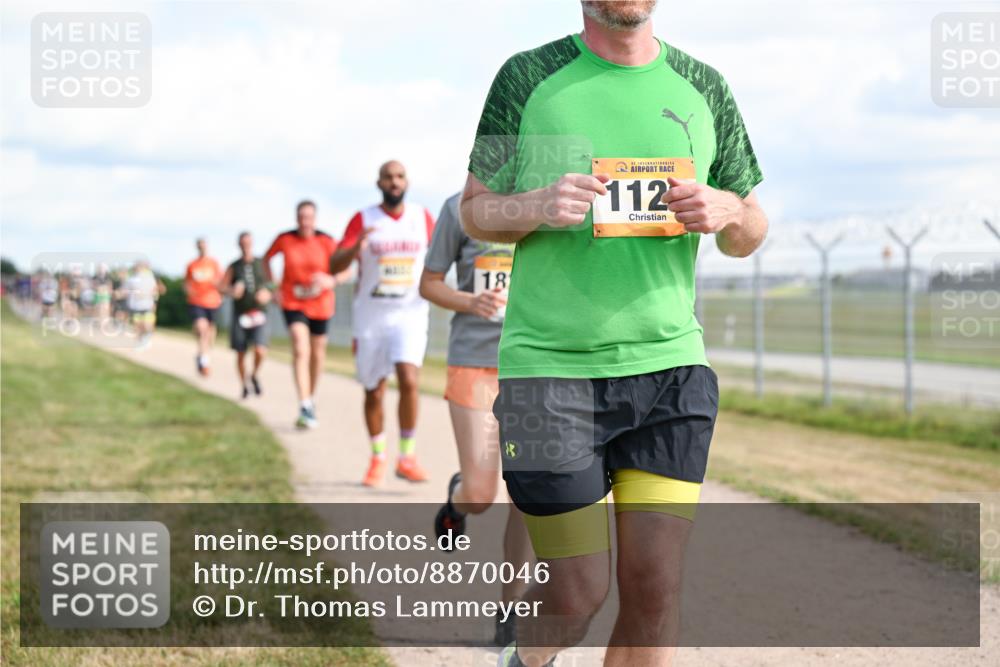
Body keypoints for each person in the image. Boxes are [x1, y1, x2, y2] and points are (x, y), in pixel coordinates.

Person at [460, 2, 769, 666]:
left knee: (654, 588)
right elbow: (476, 209)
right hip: (549, 371)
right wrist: (536, 205)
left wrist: (729, 209)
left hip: (670, 369)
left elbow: (752, 226)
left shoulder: (703, 85)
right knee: (575, 593)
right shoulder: (527, 77)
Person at [420, 191, 533, 646]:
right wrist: (471, 302)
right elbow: (429, 282)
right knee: (482, 493)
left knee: (529, 494)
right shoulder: (458, 208)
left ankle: (511, 610)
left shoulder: (551, 202)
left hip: (533, 363)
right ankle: (458, 500)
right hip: (474, 361)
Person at [330, 160, 434, 486]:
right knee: (374, 390)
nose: (394, 181)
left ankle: (407, 456)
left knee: (409, 379)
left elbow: (444, 253)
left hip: (410, 313)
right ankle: (377, 457)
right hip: (371, 317)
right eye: (388, 177)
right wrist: (356, 246)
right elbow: (334, 264)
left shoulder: (422, 217)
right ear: (379, 183)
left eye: (400, 176)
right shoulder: (363, 219)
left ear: (407, 181)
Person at [265, 200, 340, 429]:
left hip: (321, 303)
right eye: (301, 217)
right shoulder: (285, 239)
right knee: (300, 346)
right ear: (296, 218)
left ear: (315, 219)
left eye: (309, 217)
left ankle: (311, 396)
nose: (304, 221)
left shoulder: (326, 241)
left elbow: (345, 266)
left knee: (318, 353)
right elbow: (266, 259)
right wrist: (274, 285)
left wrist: (332, 280)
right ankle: (304, 403)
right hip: (293, 300)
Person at [221, 231, 271, 399]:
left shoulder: (262, 264)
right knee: (241, 352)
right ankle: (243, 385)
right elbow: (221, 287)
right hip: (240, 315)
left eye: (248, 243)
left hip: (258, 314)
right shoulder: (234, 266)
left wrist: (267, 293)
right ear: (239, 245)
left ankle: (254, 375)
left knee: (260, 349)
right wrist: (231, 291)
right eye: (243, 243)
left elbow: (274, 284)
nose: (245, 246)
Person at [185, 238, 223, 376]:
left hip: (212, 302)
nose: (202, 248)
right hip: (196, 301)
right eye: (199, 246)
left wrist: (218, 286)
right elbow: (187, 282)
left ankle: (203, 354)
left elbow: (221, 281)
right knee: (202, 329)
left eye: (204, 245)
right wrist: (188, 290)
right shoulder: (192, 265)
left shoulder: (213, 263)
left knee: (210, 335)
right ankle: (204, 362)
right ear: (197, 247)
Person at [125, 261, 166, 346]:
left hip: (148, 304)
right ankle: (141, 339)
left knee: (147, 324)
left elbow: (162, 289)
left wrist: (153, 294)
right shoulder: (133, 277)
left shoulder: (153, 277)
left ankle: (146, 337)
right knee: (138, 324)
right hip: (137, 305)